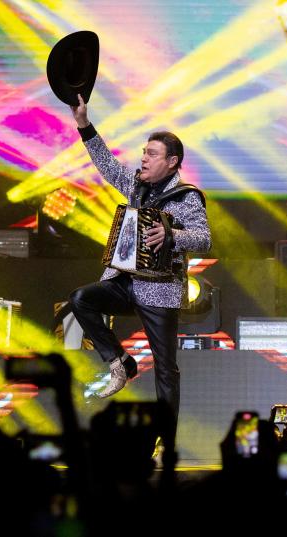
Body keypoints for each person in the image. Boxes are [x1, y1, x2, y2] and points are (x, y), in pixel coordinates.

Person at [67, 94, 211, 426]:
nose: (143, 158)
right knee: (81, 299)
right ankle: (120, 363)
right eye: (144, 152)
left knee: (165, 368)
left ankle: (167, 439)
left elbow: (204, 238)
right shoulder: (136, 187)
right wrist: (84, 124)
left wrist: (172, 236)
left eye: (152, 153)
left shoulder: (186, 197)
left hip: (160, 291)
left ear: (172, 161)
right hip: (125, 282)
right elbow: (106, 164)